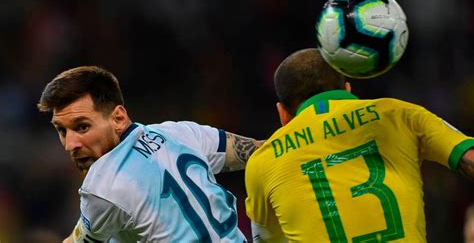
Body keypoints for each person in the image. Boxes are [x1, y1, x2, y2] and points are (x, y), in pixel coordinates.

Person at [244, 48, 474, 242]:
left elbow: (265, 238)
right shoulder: (399, 113)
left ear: (282, 114)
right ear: (347, 90)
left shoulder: (262, 161)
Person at [37, 66, 262, 242]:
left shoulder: (103, 186)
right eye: (61, 130)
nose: (70, 144)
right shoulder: (180, 132)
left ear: (118, 118)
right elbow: (259, 153)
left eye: (82, 127)